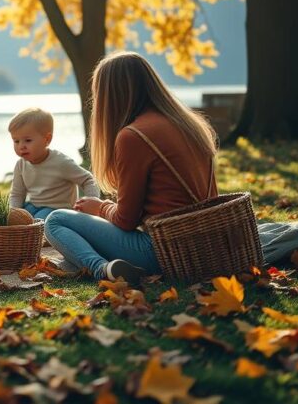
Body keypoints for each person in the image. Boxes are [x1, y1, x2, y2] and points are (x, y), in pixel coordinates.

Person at [43, 52, 218, 287]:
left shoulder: (134, 136)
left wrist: (100, 208)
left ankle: (102, 269)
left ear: (109, 96)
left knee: (55, 221)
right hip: (207, 243)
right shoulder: (188, 123)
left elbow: (126, 220)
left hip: (164, 251)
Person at [7, 107, 99, 220]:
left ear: (47, 139)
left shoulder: (61, 162)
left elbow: (88, 180)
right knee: (17, 218)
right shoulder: (21, 165)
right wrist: (13, 213)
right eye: (16, 141)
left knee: (37, 221)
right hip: (34, 206)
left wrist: (92, 200)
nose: (21, 146)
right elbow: (17, 194)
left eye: (28, 140)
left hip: (58, 210)